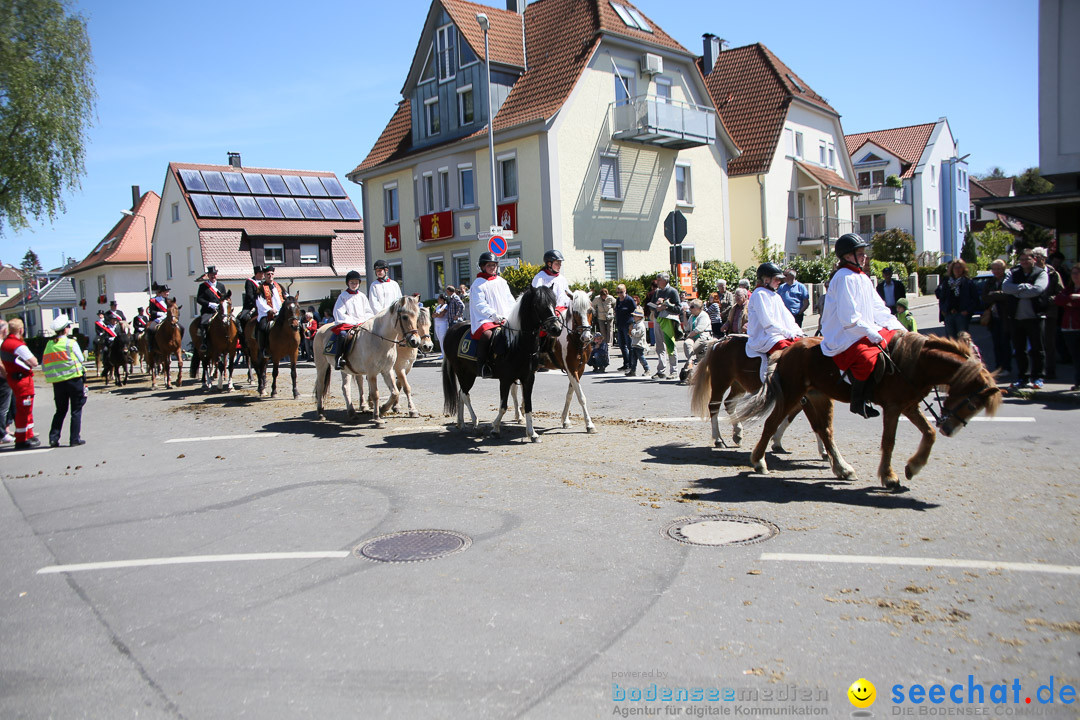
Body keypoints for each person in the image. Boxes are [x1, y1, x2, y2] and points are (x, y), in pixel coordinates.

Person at [820, 233, 904, 418]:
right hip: (845, 334)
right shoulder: (843, 277)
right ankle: (859, 401)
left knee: (895, 342)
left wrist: (897, 327)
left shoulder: (863, 277)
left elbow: (878, 308)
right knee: (866, 359)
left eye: (864, 253)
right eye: (860, 253)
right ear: (848, 256)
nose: (864, 256)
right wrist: (870, 332)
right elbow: (848, 318)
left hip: (862, 328)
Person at [746, 262, 805, 383]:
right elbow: (768, 323)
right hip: (764, 337)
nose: (779, 281)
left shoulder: (775, 295)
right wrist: (788, 333)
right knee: (787, 353)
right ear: (766, 279)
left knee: (803, 346)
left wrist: (798, 332)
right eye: (776, 279)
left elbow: (787, 318)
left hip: (777, 334)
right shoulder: (759, 294)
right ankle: (775, 383)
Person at [1002, 248, 1049, 389]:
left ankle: (1038, 377)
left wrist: (1017, 292)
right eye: (1021, 259)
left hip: (1035, 317)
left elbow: (1038, 290)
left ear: (1034, 259)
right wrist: (1022, 288)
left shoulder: (1041, 273)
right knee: (1019, 349)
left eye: (1027, 259)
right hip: (1016, 318)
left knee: (1037, 349)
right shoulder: (1013, 272)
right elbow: (1005, 287)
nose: (1023, 262)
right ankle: (1023, 377)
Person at [43, 316, 87, 448]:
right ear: (66, 329)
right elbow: (81, 358)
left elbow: (44, 364)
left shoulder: (50, 344)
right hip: (74, 380)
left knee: (60, 410)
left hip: (58, 382)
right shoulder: (71, 343)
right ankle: (74, 439)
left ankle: (53, 438)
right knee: (76, 410)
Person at [470, 252, 516, 378]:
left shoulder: (502, 281)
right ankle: (483, 365)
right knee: (487, 335)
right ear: (483, 266)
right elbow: (480, 304)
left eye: (494, 265)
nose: (492, 267)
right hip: (485, 319)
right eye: (489, 265)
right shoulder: (478, 284)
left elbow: (510, 299)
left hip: (505, 316)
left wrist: (513, 313)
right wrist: (494, 316)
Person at [0, 318, 40, 449]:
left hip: (13, 378)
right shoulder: (17, 345)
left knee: (24, 408)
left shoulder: (5, 344)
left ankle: (28, 434)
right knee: (24, 409)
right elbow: (34, 362)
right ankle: (22, 438)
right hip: (22, 380)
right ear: (21, 330)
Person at [327, 270, 374, 370]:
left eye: (356, 282)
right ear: (348, 283)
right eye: (352, 282)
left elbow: (368, 311)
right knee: (343, 335)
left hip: (362, 322)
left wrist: (364, 320)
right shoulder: (343, 296)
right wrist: (353, 322)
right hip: (348, 323)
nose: (354, 285)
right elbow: (339, 312)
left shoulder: (362, 296)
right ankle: (339, 357)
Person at [1032, 247, 1063, 379]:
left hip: (1049, 312)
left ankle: (1050, 371)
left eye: (1039, 257)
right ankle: (1037, 371)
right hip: (1034, 312)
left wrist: (1047, 300)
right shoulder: (1031, 273)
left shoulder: (1052, 273)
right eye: (1034, 257)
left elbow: (1060, 292)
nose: (1037, 259)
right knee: (1036, 344)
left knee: (1049, 343)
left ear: (1044, 259)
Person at [980, 259, 1012, 374]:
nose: (996, 271)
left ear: (1004, 269)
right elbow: (984, 297)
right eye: (994, 269)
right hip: (993, 317)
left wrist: (994, 295)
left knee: (1005, 343)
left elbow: (1008, 296)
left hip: (1005, 316)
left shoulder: (1008, 280)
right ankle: (999, 367)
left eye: (999, 268)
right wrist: (997, 295)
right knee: (996, 344)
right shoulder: (990, 282)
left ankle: (1007, 367)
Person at [935, 259, 980, 338]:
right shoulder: (947, 282)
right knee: (950, 339)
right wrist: (943, 310)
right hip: (949, 314)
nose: (957, 270)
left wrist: (967, 311)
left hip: (962, 315)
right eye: (955, 268)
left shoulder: (968, 282)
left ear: (963, 269)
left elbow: (975, 299)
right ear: (952, 269)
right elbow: (942, 298)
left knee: (962, 339)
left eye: (960, 267)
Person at [649, 272, 681, 379]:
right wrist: (656, 306)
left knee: (670, 345)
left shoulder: (672, 291)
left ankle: (674, 370)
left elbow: (678, 308)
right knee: (659, 346)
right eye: (657, 279)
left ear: (665, 280)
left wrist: (666, 306)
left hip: (668, 320)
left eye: (659, 280)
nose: (657, 281)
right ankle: (661, 370)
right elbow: (651, 306)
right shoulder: (657, 292)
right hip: (658, 320)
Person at [1053, 263, 1080, 391]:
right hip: (1068, 328)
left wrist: (1073, 301)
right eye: (1073, 273)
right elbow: (1058, 300)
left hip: (1078, 325)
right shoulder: (1069, 289)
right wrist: (1072, 298)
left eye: (1077, 273)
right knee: (1075, 357)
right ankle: (1078, 382)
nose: (1075, 276)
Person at [679, 299, 713, 383]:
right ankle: (690, 362)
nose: (690, 309)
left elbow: (699, 329)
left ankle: (690, 368)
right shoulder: (692, 316)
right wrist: (684, 315)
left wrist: (688, 336)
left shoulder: (704, 315)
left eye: (692, 307)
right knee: (687, 343)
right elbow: (687, 328)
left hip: (703, 337)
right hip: (693, 337)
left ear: (698, 308)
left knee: (693, 349)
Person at [196, 266, 227, 354]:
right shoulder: (203, 286)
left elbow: (224, 298)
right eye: (211, 275)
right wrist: (209, 304)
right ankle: (204, 343)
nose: (213, 276)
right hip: (208, 311)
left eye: (214, 274)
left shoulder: (221, 286)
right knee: (203, 323)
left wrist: (220, 305)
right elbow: (199, 299)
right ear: (208, 275)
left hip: (220, 310)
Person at [256, 267, 285, 359]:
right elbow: (259, 302)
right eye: (268, 274)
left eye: (272, 274)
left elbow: (285, 296)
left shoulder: (279, 286)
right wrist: (269, 309)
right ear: (264, 275)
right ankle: (264, 349)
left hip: (280, 313)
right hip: (267, 314)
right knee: (263, 327)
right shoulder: (260, 287)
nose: (270, 276)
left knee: (293, 324)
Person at [614, 284, 636, 371]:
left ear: (625, 291)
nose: (619, 294)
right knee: (622, 345)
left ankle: (631, 364)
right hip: (620, 324)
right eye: (618, 292)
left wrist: (632, 324)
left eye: (621, 292)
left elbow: (635, 311)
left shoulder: (629, 300)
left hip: (628, 324)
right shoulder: (618, 300)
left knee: (629, 345)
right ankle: (625, 363)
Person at [145, 284, 171, 351]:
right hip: (158, 319)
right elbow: (152, 312)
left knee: (180, 328)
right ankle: (151, 346)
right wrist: (160, 313)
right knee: (150, 329)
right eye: (165, 292)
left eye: (168, 291)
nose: (167, 293)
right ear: (161, 292)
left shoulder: (170, 301)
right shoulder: (153, 300)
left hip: (168, 319)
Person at [626, 308, 650, 377]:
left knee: (641, 358)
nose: (633, 317)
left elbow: (637, 334)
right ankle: (633, 371)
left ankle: (647, 369)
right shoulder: (636, 324)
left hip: (639, 344)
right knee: (634, 359)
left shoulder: (640, 325)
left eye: (635, 316)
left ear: (639, 317)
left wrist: (632, 330)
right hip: (635, 344)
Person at [240, 265, 265, 331]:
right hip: (251, 306)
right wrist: (257, 304)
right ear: (257, 273)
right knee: (242, 318)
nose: (263, 274)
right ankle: (243, 337)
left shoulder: (264, 283)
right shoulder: (249, 282)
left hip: (263, 305)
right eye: (261, 273)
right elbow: (250, 295)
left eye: (263, 273)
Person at [0, 318, 13, 444]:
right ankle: (2, 434)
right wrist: (7, 374)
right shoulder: (1, 343)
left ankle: (5, 430)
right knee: (3, 408)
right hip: (2, 379)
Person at [433, 294, 449, 360]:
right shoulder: (438, 306)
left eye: (439, 299)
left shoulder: (445, 306)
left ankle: (445, 354)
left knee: (443, 338)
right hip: (437, 324)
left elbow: (442, 315)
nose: (438, 300)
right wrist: (437, 315)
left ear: (442, 299)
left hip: (443, 323)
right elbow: (433, 315)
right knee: (440, 339)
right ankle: (442, 353)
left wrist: (437, 315)